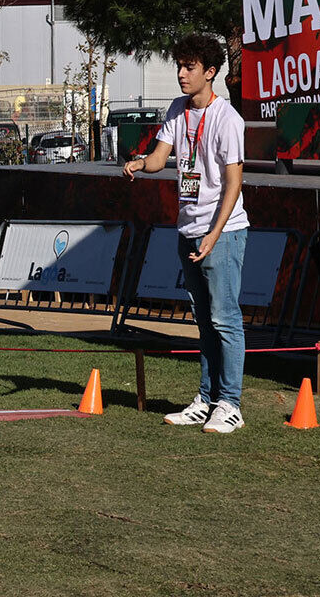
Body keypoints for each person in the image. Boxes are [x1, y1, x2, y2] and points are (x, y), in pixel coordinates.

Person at [124, 33, 250, 434]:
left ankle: (230, 403)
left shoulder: (228, 119)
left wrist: (214, 233)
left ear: (210, 73)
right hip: (188, 228)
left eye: (189, 67)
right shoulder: (177, 108)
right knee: (203, 320)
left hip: (222, 232)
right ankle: (207, 398)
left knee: (225, 319)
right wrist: (140, 163)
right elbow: (161, 159)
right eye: (179, 65)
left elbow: (234, 184)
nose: (180, 74)